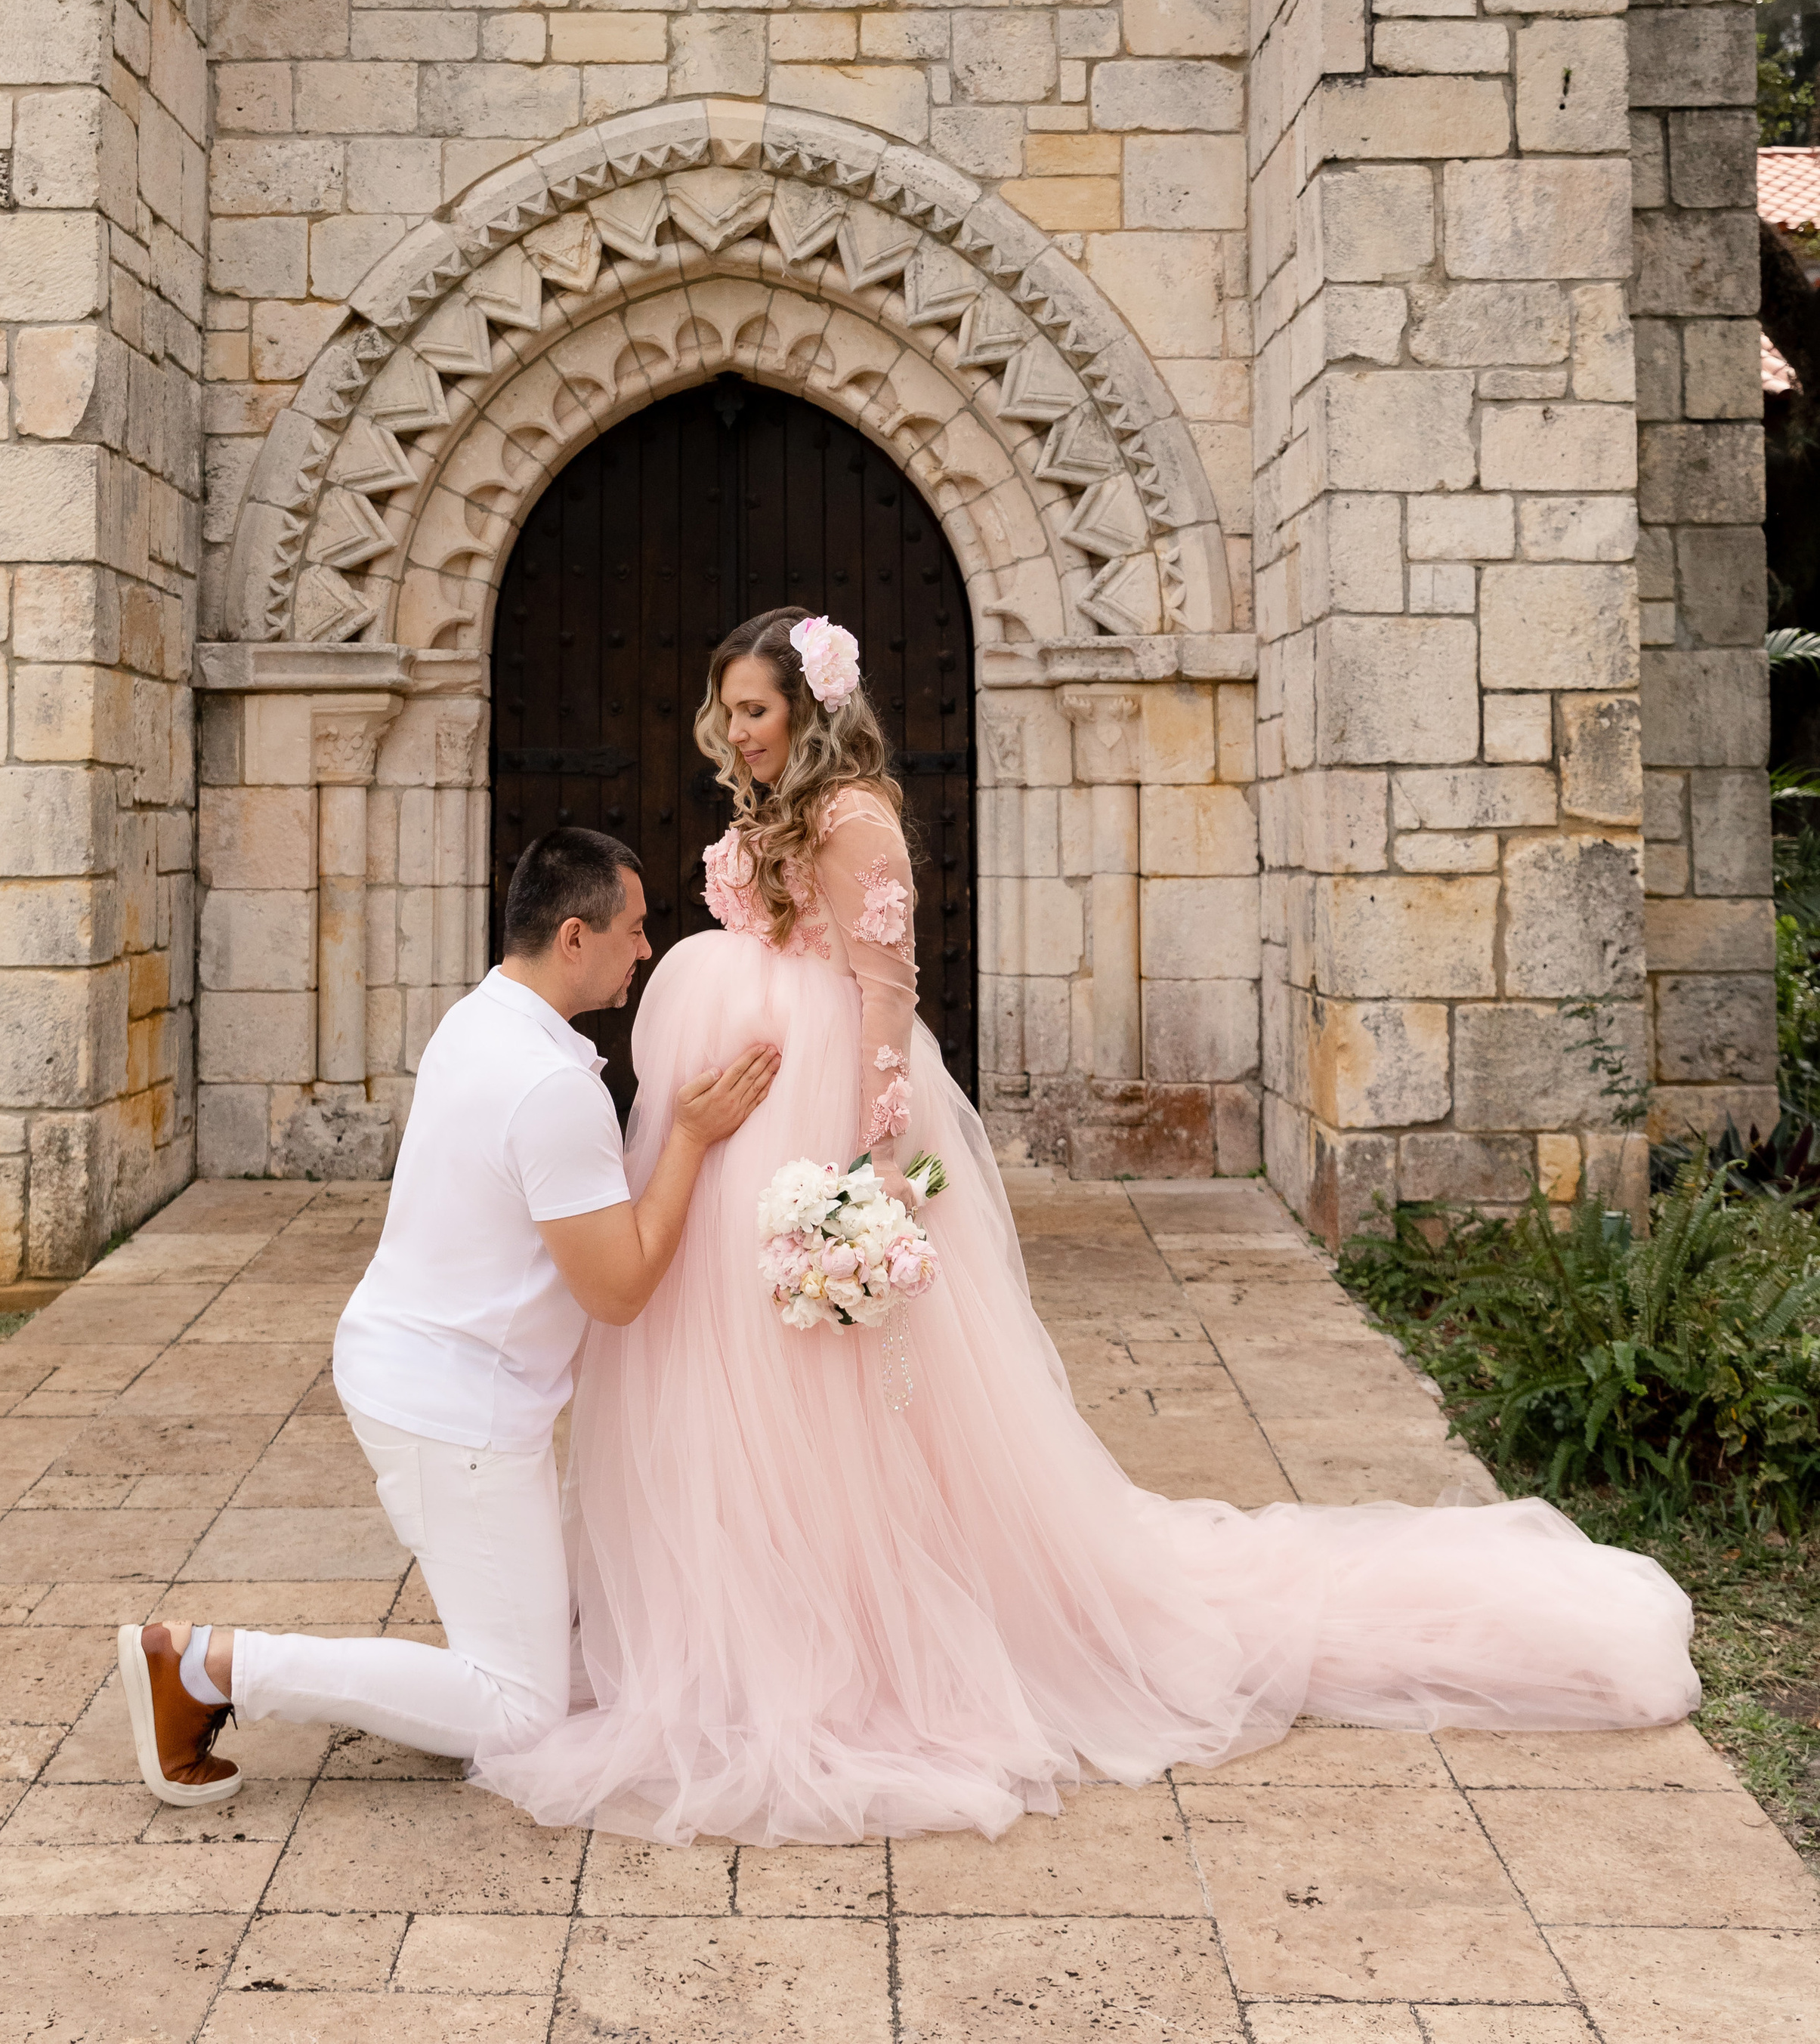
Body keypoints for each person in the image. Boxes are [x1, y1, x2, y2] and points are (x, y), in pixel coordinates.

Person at [476, 607, 1700, 1848]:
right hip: (743, 1117)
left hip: (824, 1123)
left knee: (841, 1398)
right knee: (739, 1380)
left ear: (812, 706)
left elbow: (887, 999)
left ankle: (861, 1633)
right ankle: (743, 1614)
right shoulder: (774, 805)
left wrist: (869, 1173)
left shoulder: (853, 818)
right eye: (727, 709)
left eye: (755, 708)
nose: (734, 732)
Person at [116, 826, 776, 1809]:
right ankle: (208, 1668)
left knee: (538, 1652)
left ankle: (294, 1667)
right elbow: (619, 1290)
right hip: (454, 1411)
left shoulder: (485, 1016)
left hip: (420, 1372)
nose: (649, 951)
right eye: (635, 931)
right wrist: (688, 1136)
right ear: (572, 937)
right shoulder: (552, 1086)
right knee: (520, 1712)